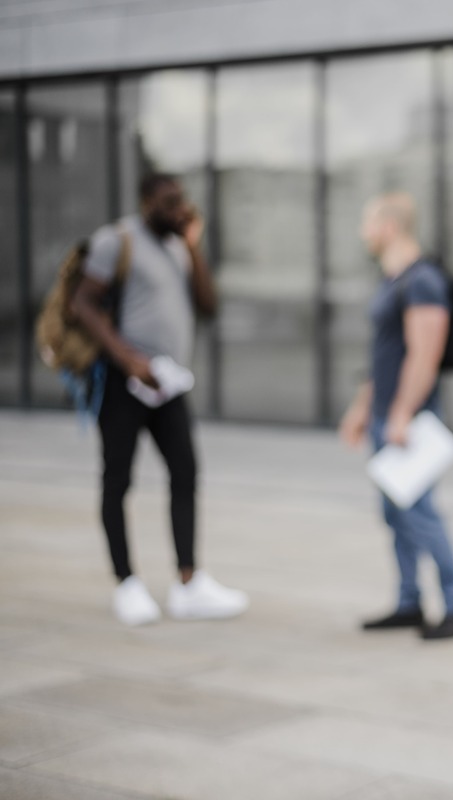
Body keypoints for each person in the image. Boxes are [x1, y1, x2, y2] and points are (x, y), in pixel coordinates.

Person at [72, 173, 248, 626]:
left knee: (186, 472)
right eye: (168, 202)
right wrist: (127, 358)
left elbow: (208, 306)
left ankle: (188, 582)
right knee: (118, 479)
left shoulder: (177, 246)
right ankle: (126, 583)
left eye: (182, 201)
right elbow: (84, 304)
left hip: (168, 384)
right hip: (123, 382)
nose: (177, 209)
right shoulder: (117, 240)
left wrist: (192, 245)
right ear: (147, 201)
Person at [338, 193, 453, 640]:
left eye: (367, 223)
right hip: (385, 415)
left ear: (389, 226)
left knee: (419, 511)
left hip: (407, 418)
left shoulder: (423, 281)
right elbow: (386, 355)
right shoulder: (394, 279)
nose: (363, 232)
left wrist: (400, 414)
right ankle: (408, 602)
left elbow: (424, 354)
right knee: (395, 513)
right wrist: (363, 408)